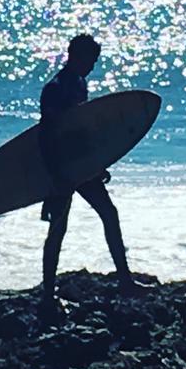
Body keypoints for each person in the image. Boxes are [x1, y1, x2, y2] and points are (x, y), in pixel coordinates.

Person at [38, 34, 141, 318]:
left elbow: (81, 130)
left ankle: (125, 280)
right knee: (58, 229)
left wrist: (98, 163)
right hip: (62, 169)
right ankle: (48, 294)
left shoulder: (79, 83)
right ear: (76, 56)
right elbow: (48, 137)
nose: (93, 67)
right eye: (91, 60)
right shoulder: (55, 89)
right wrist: (54, 177)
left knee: (109, 213)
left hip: (83, 167)